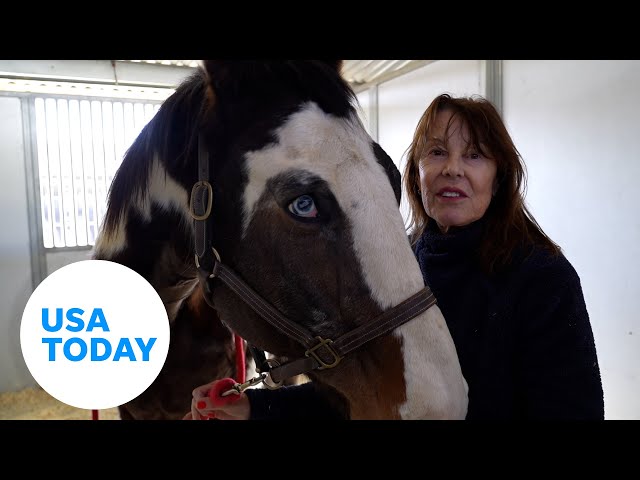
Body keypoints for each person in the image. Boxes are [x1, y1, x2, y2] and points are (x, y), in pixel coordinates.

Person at [184, 93, 605, 420]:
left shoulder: (543, 278)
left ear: (498, 179)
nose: (452, 169)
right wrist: (256, 408)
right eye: (436, 152)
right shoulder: (402, 258)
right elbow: (367, 381)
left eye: (474, 155)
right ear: (417, 172)